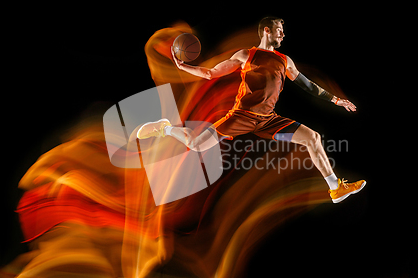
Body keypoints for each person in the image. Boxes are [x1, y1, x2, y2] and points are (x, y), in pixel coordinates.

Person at [137, 17, 365, 203]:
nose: (283, 34)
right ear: (267, 30)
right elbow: (210, 73)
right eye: (279, 30)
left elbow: (307, 84)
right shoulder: (246, 55)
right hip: (241, 117)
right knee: (196, 145)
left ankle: (335, 188)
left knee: (312, 138)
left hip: (269, 121)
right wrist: (184, 66)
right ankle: (165, 129)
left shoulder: (285, 61)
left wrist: (335, 99)